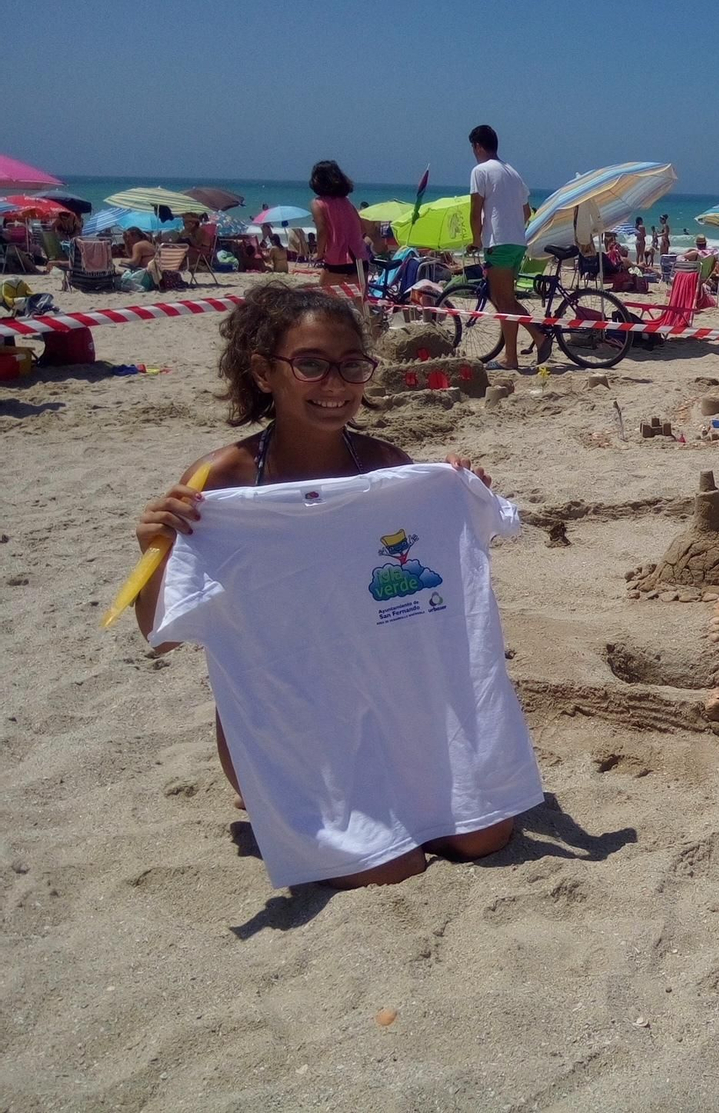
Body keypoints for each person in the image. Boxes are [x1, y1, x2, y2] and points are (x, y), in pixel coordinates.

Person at [130, 284, 528, 888]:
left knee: (483, 837)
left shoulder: (389, 468)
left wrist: (455, 491)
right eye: (311, 364)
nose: (335, 384)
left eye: (351, 365)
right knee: (392, 870)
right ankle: (269, 795)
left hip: (394, 707)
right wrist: (153, 551)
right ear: (265, 372)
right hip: (288, 720)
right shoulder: (222, 483)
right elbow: (161, 639)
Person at [467, 124, 541, 368]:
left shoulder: (480, 171)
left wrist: (476, 239)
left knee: (504, 300)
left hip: (498, 242)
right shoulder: (512, 172)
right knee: (503, 300)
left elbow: (475, 209)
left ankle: (539, 337)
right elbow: (526, 211)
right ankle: (511, 356)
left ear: (478, 146)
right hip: (517, 242)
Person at [308, 160, 373, 301]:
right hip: (359, 257)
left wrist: (319, 253)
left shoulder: (317, 203)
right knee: (360, 302)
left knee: (323, 298)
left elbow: (322, 230)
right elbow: (362, 229)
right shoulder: (347, 201)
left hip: (337, 259)